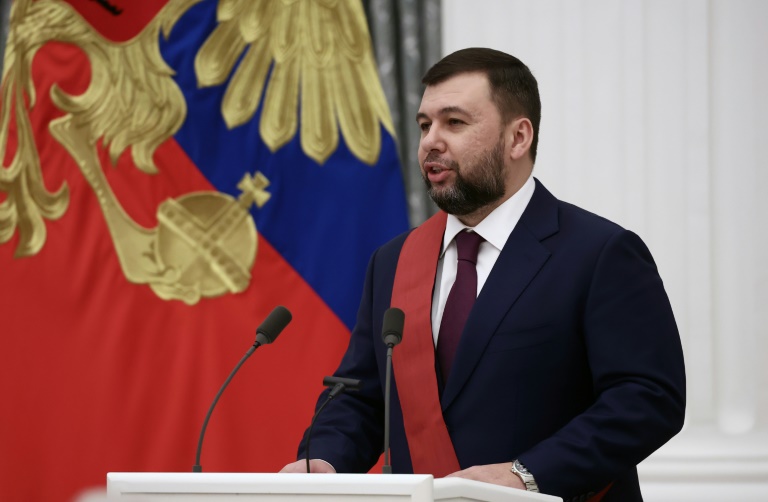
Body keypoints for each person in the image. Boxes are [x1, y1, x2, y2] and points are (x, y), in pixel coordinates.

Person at [280, 48, 686, 502]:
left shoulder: (599, 253)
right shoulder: (393, 261)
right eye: (424, 125)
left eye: (454, 122)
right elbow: (364, 396)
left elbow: (647, 399)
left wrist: (527, 475)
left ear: (518, 138)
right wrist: (327, 459)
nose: (430, 142)